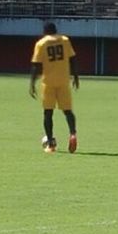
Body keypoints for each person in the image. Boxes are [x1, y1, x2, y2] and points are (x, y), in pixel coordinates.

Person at [29, 21, 80, 154]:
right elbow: (73, 59)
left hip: (48, 82)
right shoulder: (64, 40)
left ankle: (51, 143)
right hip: (63, 81)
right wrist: (75, 76)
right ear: (55, 30)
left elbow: (36, 65)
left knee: (48, 113)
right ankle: (73, 133)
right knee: (68, 111)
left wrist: (32, 83)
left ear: (44, 31)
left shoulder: (41, 43)